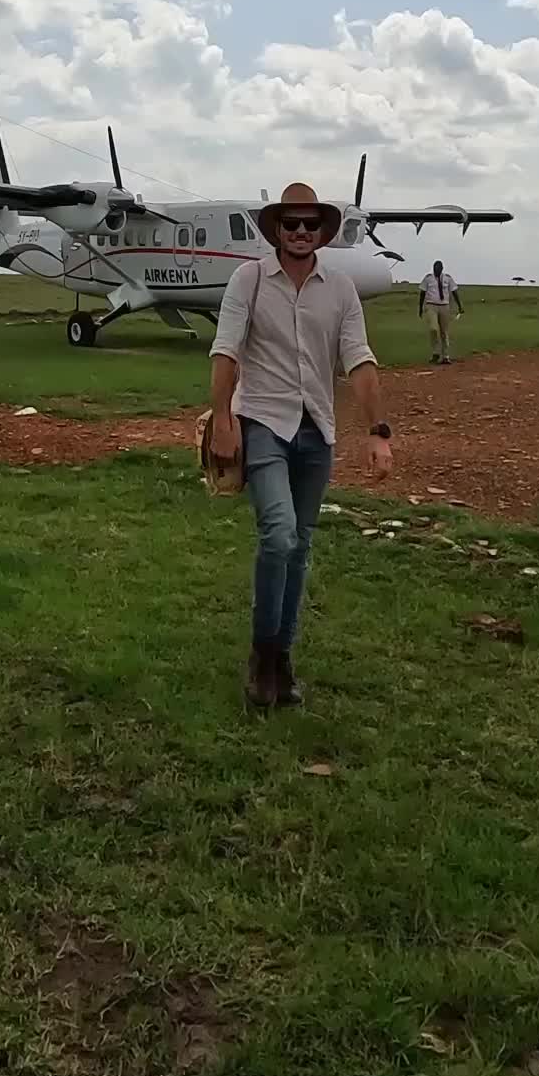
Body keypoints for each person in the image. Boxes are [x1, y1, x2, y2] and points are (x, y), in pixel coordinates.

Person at [208, 182, 394, 710]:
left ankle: (283, 659)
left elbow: (358, 358)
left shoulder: (340, 290)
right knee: (280, 533)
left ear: (321, 232)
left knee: (301, 545)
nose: (300, 233)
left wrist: (378, 430)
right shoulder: (247, 280)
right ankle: (262, 657)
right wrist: (223, 419)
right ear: (276, 230)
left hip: (316, 429)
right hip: (262, 421)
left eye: (310, 225)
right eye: (291, 224)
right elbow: (226, 350)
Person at [418, 258, 463, 364]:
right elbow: (422, 293)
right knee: (433, 329)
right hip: (431, 306)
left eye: (438, 268)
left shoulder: (448, 278)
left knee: (444, 331)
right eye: (434, 268)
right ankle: (435, 353)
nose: (436, 270)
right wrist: (420, 308)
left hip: (444, 306)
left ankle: (445, 356)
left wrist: (460, 305)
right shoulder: (428, 278)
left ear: (442, 269)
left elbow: (454, 291)